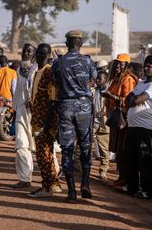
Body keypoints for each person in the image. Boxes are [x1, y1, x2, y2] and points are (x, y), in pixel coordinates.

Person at [52, 30, 97, 203]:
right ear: (81, 43)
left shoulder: (58, 62)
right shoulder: (87, 61)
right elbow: (94, 79)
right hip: (84, 106)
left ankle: (71, 192)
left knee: (67, 149)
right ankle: (85, 183)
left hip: (65, 106)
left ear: (66, 43)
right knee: (85, 145)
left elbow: (55, 81)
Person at [123, 55, 152, 199]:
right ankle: (132, 187)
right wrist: (133, 100)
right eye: (145, 65)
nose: (146, 68)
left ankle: (147, 190)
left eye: (149, 66)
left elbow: (137, 99)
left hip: (146, 128)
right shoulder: (141, 83)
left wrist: (134, 99)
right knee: (131, 158)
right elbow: (128, 99)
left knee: (145, 160)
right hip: (133, 126)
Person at [27, 43, 62, 197]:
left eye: (44, 54)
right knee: (43, 154)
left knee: (44, 155)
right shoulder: (37, 72)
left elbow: (53, 99)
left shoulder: (49, 72)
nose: (41, 56)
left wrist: (47, 123)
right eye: (39, 53)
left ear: (48, 55)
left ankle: (49, 186)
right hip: (37, 118)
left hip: (45, 121)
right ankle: (50, 185)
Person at [101, 54, 137, 187]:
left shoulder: (127, 79)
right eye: (116, 63)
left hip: (124, 118)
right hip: (115, 117)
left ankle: (124, 177)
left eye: (121, 64)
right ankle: (121, 176)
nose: (118, 66)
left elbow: (128, 100)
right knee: (118, 149)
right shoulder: (117, 79)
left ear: (126, 65)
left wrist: (111, 96)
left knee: (122, 149)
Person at [11, 43, 38, 189]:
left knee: (43, 146)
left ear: (34, 54)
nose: (26, 54)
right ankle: (25, 179)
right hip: (21, 111)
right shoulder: (18, 70)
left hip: (35, 114)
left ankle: (54, 174)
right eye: (24, 51)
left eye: (29, 51)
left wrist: (33, 98)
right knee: (21, 145)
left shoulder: (38, 70)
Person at [93, 71, 110, 180]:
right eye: (97, 78)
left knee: (104, 149)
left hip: (104, 123)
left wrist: (104, 113)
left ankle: (103, 170)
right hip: (93, 122)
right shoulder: (93, 91)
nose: (97, 80)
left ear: (106, 80)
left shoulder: (110, 92)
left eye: (100, 79)